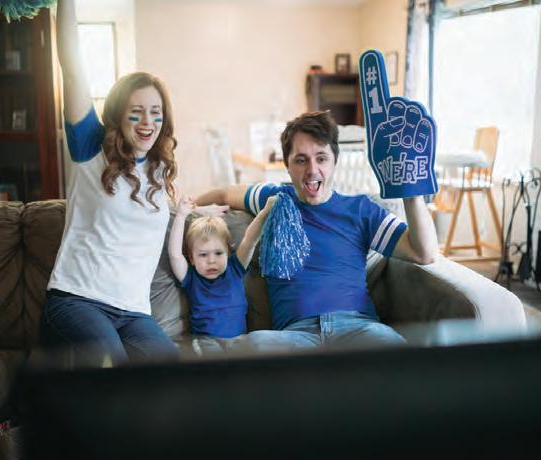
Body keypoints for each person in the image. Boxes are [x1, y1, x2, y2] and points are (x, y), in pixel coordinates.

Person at [40, 0, 227, 366]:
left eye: (156, 113)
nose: (147, 123)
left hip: (133, 313)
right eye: (136, 112)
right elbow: (73, 69)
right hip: (77, 300)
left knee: (171, 376)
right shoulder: (91, 146)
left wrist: (202, 209)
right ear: (118, 116)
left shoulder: (157, 170)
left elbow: (152, 214)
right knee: (113, 367)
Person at [195, 110, 439, 352]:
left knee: (397, 351)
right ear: (287, 166)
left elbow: (424, 253)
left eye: (321, 158)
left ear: (334, 161)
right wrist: (189, 209)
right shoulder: (276, 200)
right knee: (252, 346)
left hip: (358, 329)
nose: (312, 170)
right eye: (301, 160)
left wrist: (411, 192)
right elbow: (224, 194)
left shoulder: (361, 210)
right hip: (294, 336)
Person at [168, 195, 276, 355]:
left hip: (239, 341)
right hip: (206, 341)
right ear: (191, 258)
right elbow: (175, 255)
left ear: (228, 253)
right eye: (203, 255)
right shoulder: (191, 278)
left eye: (218, 253)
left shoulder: (235, 268)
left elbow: (250, 240)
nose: (211, 261)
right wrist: (181, 216)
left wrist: (266, 211)